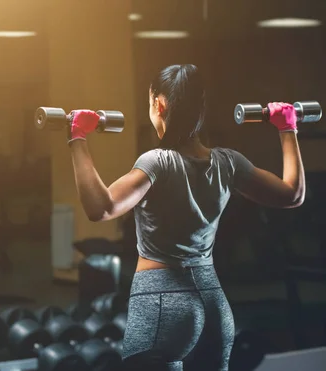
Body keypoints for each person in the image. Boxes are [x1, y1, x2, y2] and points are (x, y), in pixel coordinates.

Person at [67, 64, 305, 370]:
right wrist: (288, 128)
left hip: (162, 302)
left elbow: (101, 208)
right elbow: (293, 194)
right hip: (214, 304)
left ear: (159, 105)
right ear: (200, 109)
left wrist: (78, 137)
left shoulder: (158, 162)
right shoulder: (228, 162)